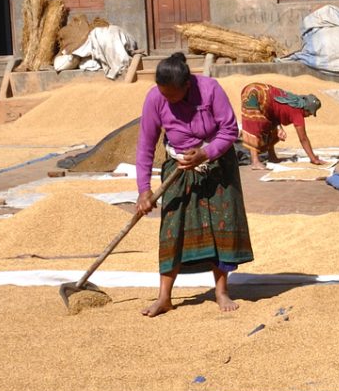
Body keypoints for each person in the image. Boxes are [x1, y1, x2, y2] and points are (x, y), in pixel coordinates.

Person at [133, 53, 252, 316]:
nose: (168, 100)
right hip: (178, 166)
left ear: (188, 84)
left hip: (217, 164)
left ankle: (221, 291)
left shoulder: (210, 90)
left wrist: (206, 153)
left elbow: (229, 130)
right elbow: (145, 146)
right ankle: (164, 297)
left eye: (173, 95)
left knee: (221, 224)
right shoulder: (155, 98)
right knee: (172, 229)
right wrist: (144, 189)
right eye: (164, 95)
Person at [238, 81, 324, 169]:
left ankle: (272, 156)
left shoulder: (293, 103)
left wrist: (279, 127)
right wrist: (313, 158)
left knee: (270, 126)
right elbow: (303, 138)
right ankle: (255, 161)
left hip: (261, 94)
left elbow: (275, 111)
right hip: (253, 93)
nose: (308, 116)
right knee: (255, 124)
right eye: (309, 113)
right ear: (306, 109)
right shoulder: (297, 113)